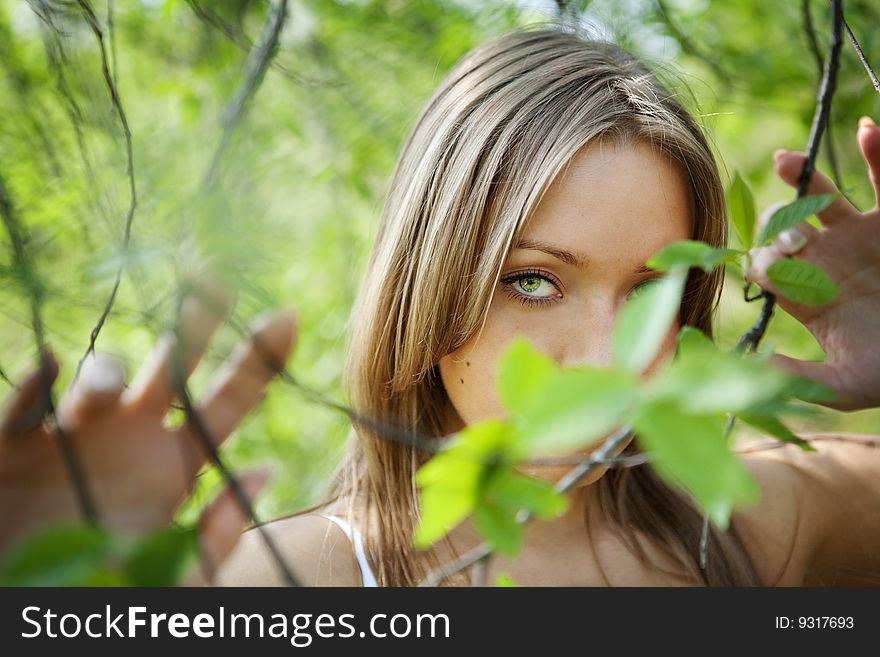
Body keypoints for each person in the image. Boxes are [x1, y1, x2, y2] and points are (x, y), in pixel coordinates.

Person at [1, 28, 879, 587]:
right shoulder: (298, 581)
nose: (606, 358)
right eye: (534, 280)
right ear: (433, 279)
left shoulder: (760, 523)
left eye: (650, 291)